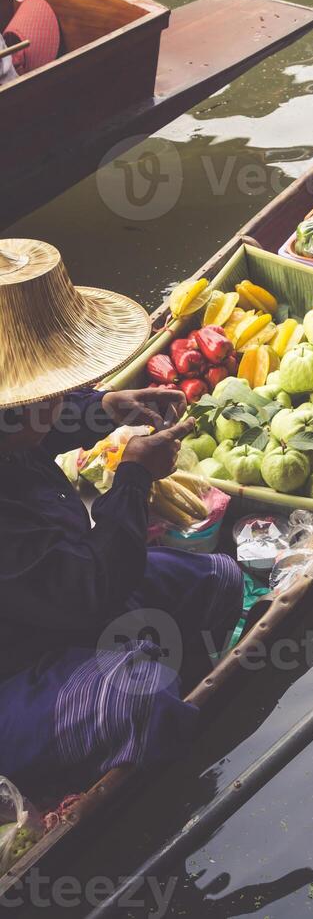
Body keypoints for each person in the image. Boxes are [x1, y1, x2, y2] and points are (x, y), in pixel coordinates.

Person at [0, 239, 244, 791]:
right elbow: (91, 588)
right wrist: (133, 477)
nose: (64, 398)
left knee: (217, 580)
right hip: (15, 668)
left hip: (53, 599)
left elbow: (39, 432)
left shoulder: (14, 432)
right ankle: (129, 771)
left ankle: (176, 703)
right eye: (59, 393)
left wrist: (101, 409)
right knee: (145, 702)